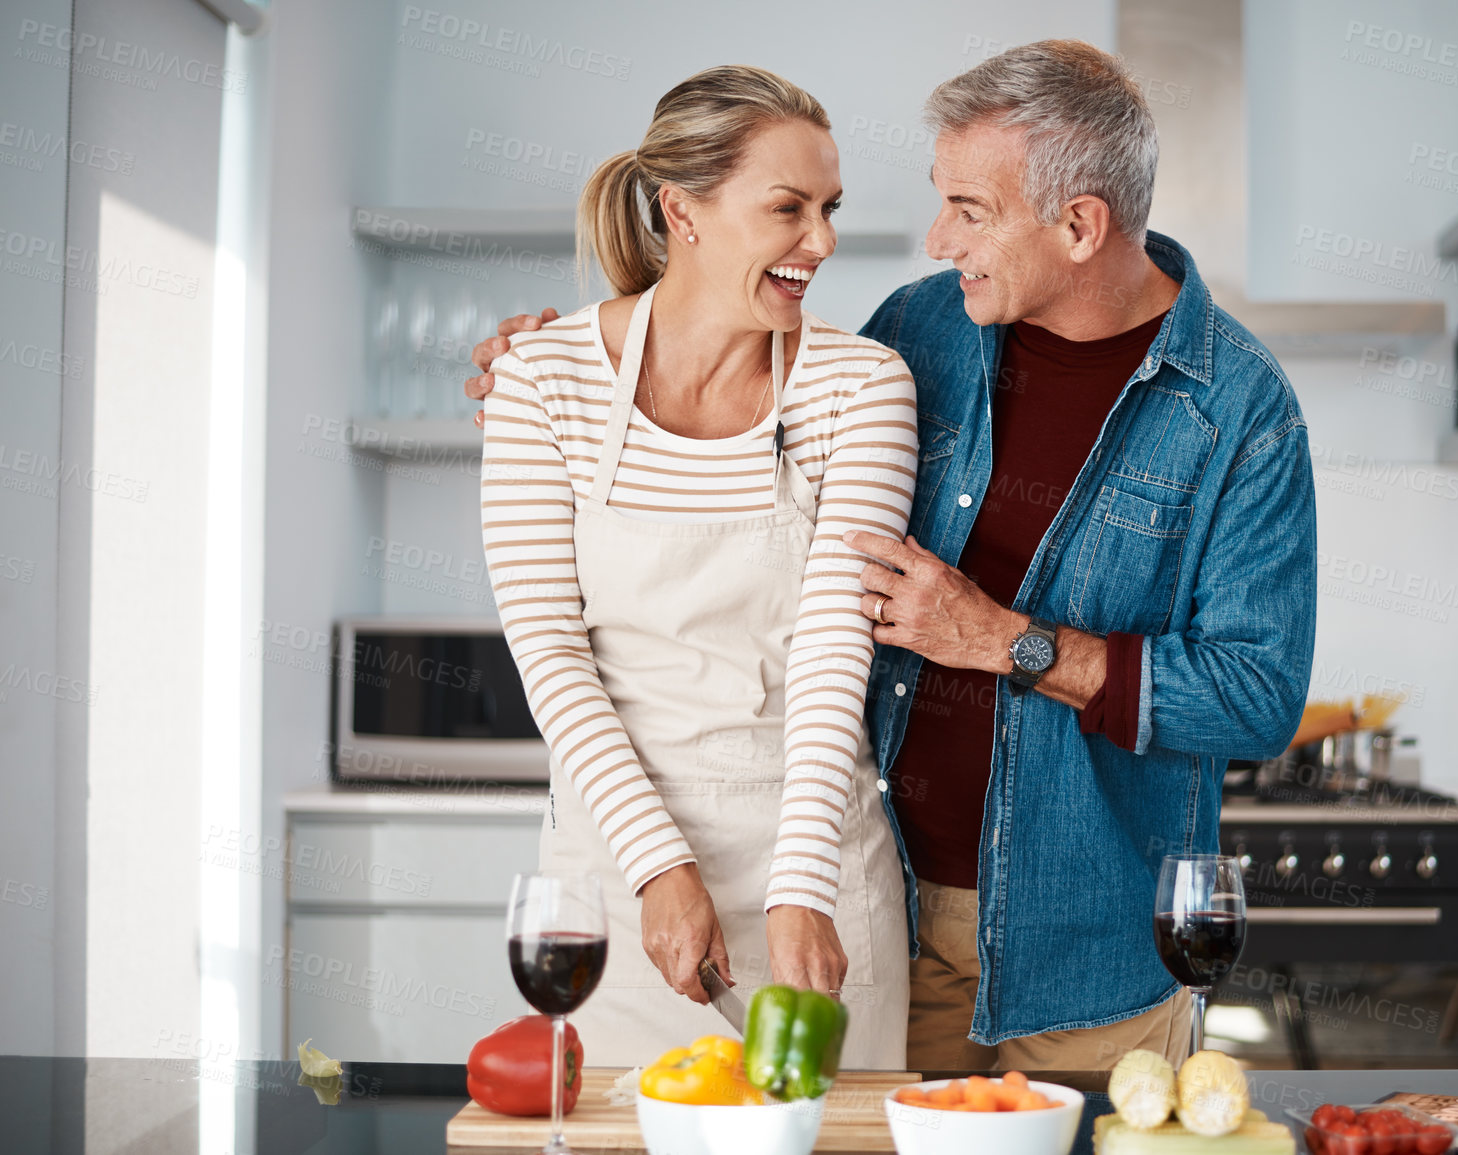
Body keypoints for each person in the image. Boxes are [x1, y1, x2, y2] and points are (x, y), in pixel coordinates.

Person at [469, 41, 1316, 1073]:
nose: (933, 236)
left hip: (1086, 941)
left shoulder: (1241, 412)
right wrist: (544, 368)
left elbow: (1257, 696)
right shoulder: (926, 331)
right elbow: (724, 349)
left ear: (1080, 225)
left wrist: (1013, 643)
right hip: (900, 904)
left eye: (969, 207)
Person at [477, 65, 917, 1067]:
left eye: (830, 209)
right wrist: (658, 867)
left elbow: (833, 654)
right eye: (788, 209)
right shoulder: (543, 380)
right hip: (616, 889)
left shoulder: (861, 387)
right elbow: (549, 649)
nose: (824, 242)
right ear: (683, 210)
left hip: (814, 879)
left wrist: (803, 889)